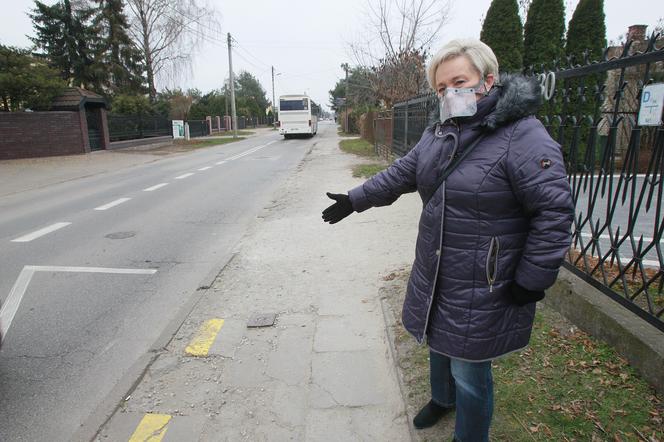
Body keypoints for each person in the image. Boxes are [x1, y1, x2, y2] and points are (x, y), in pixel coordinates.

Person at [322, 39, 574, 442]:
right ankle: (442, 398)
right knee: (437, 339)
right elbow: (403, 172)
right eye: (441, 88)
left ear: (488, 80)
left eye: (459, 81)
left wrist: (532, 278)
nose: (449, 93)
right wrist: (356, 200)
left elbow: (554, 213)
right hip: (438, 265)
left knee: (470, 371)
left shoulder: (524, 136)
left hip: (485, 279)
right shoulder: (441, 131)